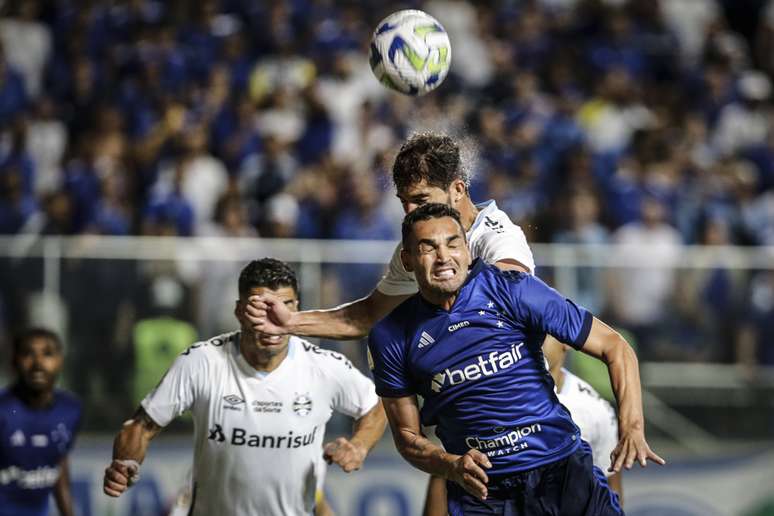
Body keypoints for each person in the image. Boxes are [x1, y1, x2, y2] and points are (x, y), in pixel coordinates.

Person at [369, 204, 664, 515]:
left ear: (467, 249)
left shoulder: (513, 289)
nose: (444, 256)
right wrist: (450, 465)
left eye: (453, 243)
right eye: (428, 247)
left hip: (561, 473)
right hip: (482, 492)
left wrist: (632, 427)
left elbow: (616, 347)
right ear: (407, 259)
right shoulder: (390, 337)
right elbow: (407, 438)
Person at [103, 258, 386, 516]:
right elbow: (141, 426)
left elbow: (376, 406)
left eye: (285, 306)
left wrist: (359, 446)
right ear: (239, 311)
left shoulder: (324, 367)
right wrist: (127, 462)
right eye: (261, 307)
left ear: (297, 309)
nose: (274, 318)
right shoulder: (202, 362)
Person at [245, 132, 536, 340]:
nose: (409, 213)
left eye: (421, 200)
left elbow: (516, 290)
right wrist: (291, 321)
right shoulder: (414, 249)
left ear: (457, 190)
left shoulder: (496, 236)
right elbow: (364, 316)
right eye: (403, 202)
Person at [421, 337, 624, 515]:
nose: (531, 340)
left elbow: (610, 483)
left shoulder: (594, 410)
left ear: (566, 339)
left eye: (541, 334)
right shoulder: (484, 395)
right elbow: (445, 473)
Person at [0, 328, 82, 516]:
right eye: (28, 353)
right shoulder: (3, 411)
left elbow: (59, 464)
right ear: (14, 361)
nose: (38, 363)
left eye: (47, 354)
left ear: (60, 361)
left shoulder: (71, 409)